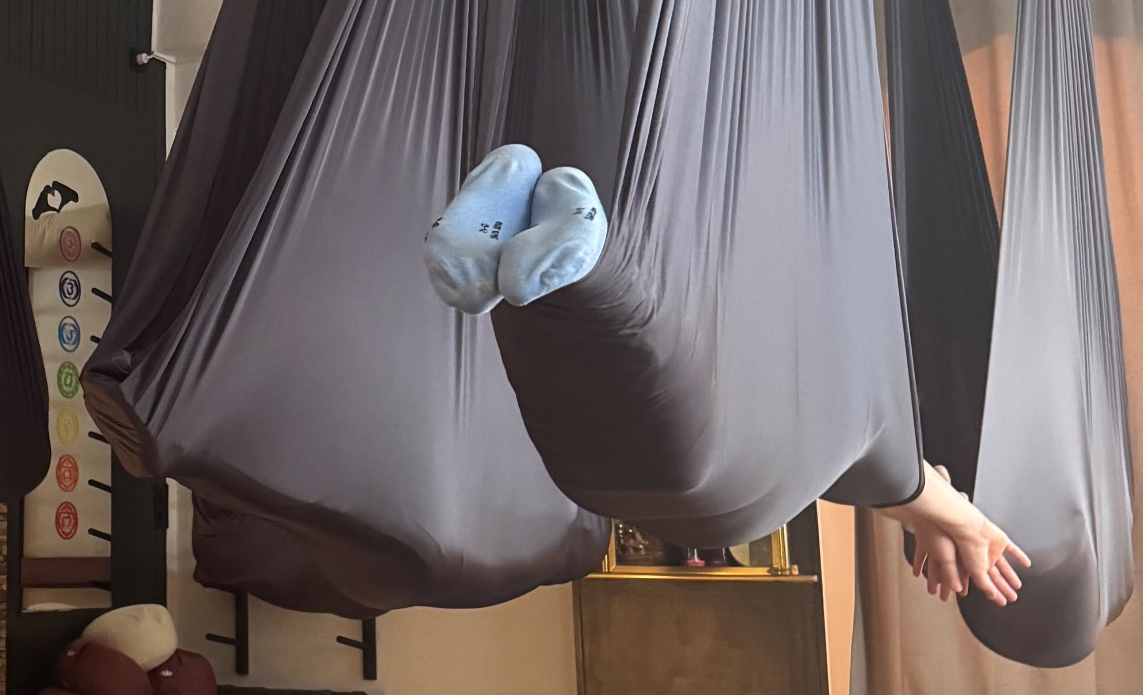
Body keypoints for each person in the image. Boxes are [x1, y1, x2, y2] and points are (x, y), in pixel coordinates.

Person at [425, 145, 1030, 608]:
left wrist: (956, 514)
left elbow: (889, 460)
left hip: (714, 473)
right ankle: (496, 261)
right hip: (590, 473)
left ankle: (565, 250)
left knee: (647, 323)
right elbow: (883, 473)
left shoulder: (860, 394)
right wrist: (929, 509)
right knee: (596, 339)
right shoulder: (836, 440)